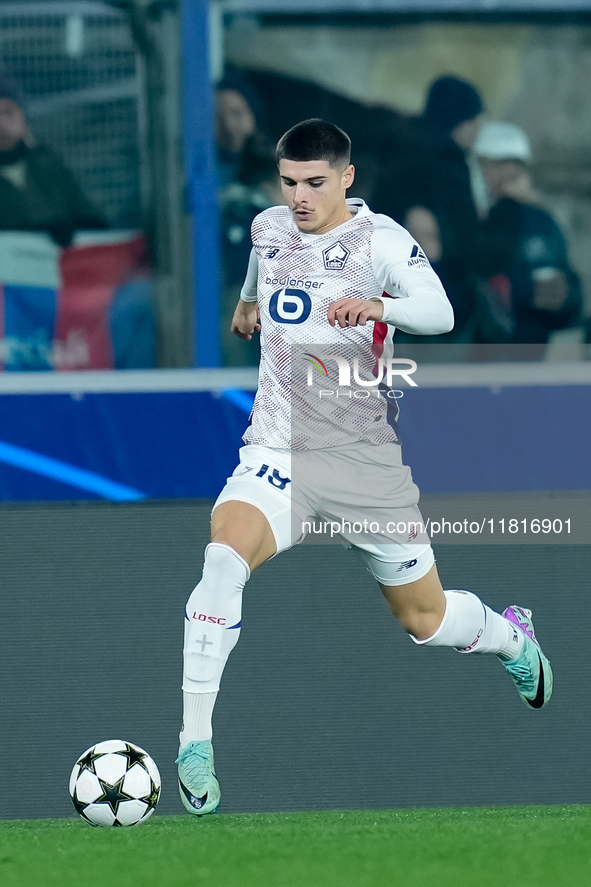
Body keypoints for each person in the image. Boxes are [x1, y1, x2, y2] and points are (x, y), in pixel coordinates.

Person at [176, 119, 553, 816]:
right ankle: (194, 743)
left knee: (425, 619)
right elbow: (262, 266)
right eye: (288, 182)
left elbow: (439, 312)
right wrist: (246, 304)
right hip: (276, 450)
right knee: (222, 559)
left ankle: (508, 634)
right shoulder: (268, 227)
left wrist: (380, 304)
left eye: (314, 183)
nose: (298, 197)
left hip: (361, 464)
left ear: (346, 178)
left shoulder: (378, 241)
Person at [473, 121, 581, 347]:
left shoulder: (541, 221)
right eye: (492, 164)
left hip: (532, 346)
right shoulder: (477, 221)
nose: (504, 172)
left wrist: (566, 295)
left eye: (512, 164)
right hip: (492, 349)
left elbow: (566, 285)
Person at [0, 77, 107, 246]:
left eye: (8, 111)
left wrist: (71, 229)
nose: (3, 121)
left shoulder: (49, 165)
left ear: (22, 115)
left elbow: (91, 217)